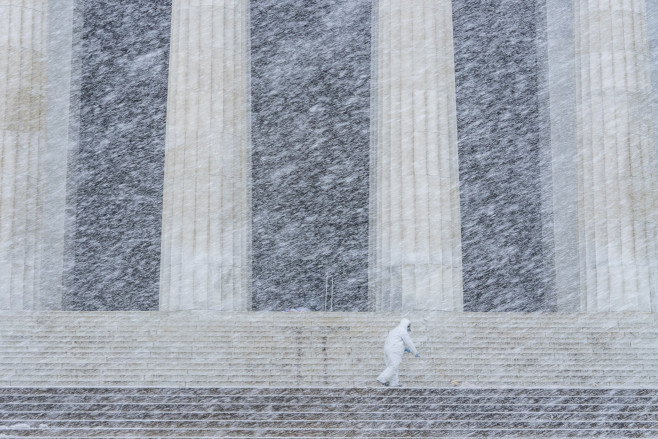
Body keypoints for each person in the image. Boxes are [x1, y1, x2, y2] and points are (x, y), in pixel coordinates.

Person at [376, 318, 420, 387]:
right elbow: (409, 342)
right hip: (394, 351)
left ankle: (394, 383)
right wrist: (415, 352)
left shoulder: (394, 330)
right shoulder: (402, 331)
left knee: (394, 366)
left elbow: (394, 341)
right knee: (394, 365)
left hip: (388, 350)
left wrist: (404, 348)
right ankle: (382, 378)